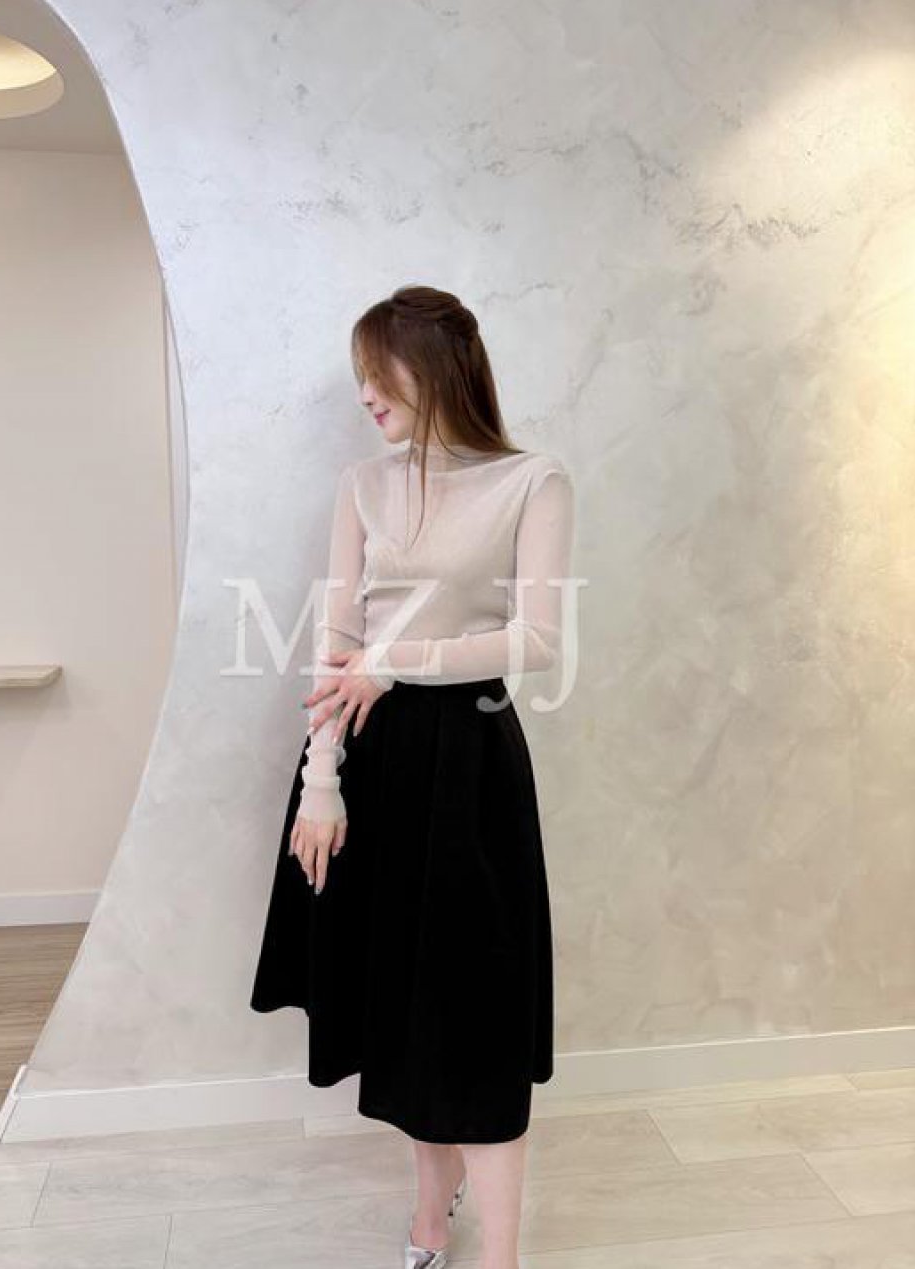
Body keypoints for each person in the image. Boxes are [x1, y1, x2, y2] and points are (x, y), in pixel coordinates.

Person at [250, 284, 576, 1269]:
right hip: (371, 758)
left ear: (435, 366)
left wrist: (397, 662)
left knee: (475, 1010)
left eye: (377, 372)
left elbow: (536, 640)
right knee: (404, 1006)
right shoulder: (362, 484)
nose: (364, 395)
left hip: (470, 766)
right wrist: (320, 782)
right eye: (360, 376)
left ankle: (500, 1255)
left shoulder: (532, 480)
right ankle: (433, 1213)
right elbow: (337, 638)